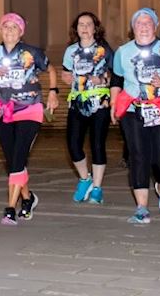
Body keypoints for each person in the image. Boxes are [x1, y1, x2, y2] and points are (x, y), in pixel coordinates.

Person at [0, 13, 57, 225]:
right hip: (2, 111)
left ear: (21, 32)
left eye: (14, 27)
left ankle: (10, 208)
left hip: (29, 109)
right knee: (15, 160)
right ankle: (28, 198)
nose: (9, 31)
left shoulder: (31, 52)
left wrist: (53, 92)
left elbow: (50, 69)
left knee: (18, 157)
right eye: (6, 26)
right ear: (0, 30)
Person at [110, 8, 160, 224]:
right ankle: (141, 207)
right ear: (133, 28)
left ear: (155, 26)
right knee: (138, 156)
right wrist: (115, 103)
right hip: (134, 110)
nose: (143, 27)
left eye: (148, 23)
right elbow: (116, 79)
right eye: (139, 23)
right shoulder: (123, 51)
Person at [63, 11, 112, 204]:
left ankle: (97, 188)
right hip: (77, 101)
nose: (84, 27)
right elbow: (66, 73)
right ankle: (85, 179)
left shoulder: (104, 49)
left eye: (88, 24)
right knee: (73, 145)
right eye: (81, 24)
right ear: (76, 28)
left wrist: (102, 79)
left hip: (100, 101)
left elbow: (115, 74)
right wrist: (65, 78)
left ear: (95, 28)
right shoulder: (71, 51)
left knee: (97, 144)